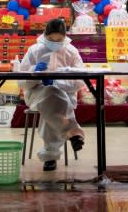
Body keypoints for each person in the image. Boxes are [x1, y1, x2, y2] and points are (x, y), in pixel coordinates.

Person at [18, 18, 85, 171]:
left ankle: (51, 156)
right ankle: (72, 132)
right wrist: (34, 72)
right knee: (50, 96)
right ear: (45, 35)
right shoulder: (34, 50)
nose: (55, 42)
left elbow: (79, 81)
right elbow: (21, 81)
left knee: (52, 103)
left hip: (65, 95)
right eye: (51, 39)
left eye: (59, 39)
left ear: (65, 36)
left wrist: (57, 82)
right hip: (37, 94)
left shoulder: (72, 52)